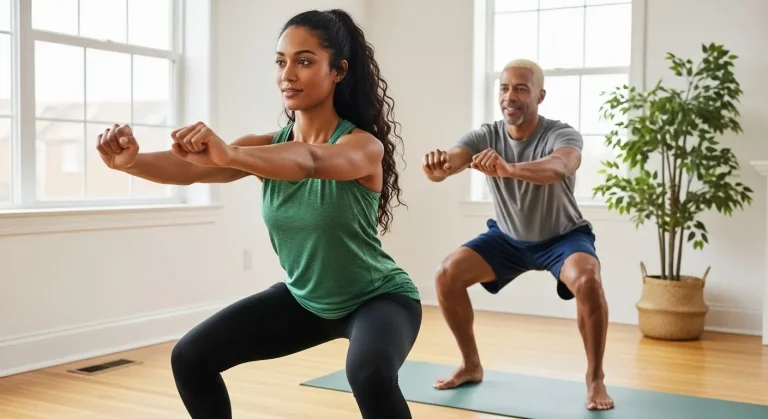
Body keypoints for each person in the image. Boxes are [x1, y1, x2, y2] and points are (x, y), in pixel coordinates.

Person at [95, 9, 421, 419]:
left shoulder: (362, 147)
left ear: (338, 71)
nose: (288, 74)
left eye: (304, 61)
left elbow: (309, 161)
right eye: (281, 62)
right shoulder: (263, 147)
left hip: (377, 299)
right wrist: (131, 162)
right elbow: (190, 170)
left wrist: (232, 153)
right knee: (191, 357)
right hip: (306, 300)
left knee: (369, 372)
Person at [421, 58, 613, 411]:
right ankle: (470, 365)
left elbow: (560, 166)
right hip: (508, 239)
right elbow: (450, 162)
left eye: (521, 89)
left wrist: (509, 169)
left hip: (562, 239)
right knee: (446, 275)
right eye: (505, 87)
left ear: (540, 96)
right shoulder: (485, 135)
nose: (510, 96)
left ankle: (595, 377)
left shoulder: (561, 133)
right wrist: (436, 167)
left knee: (587, 280)